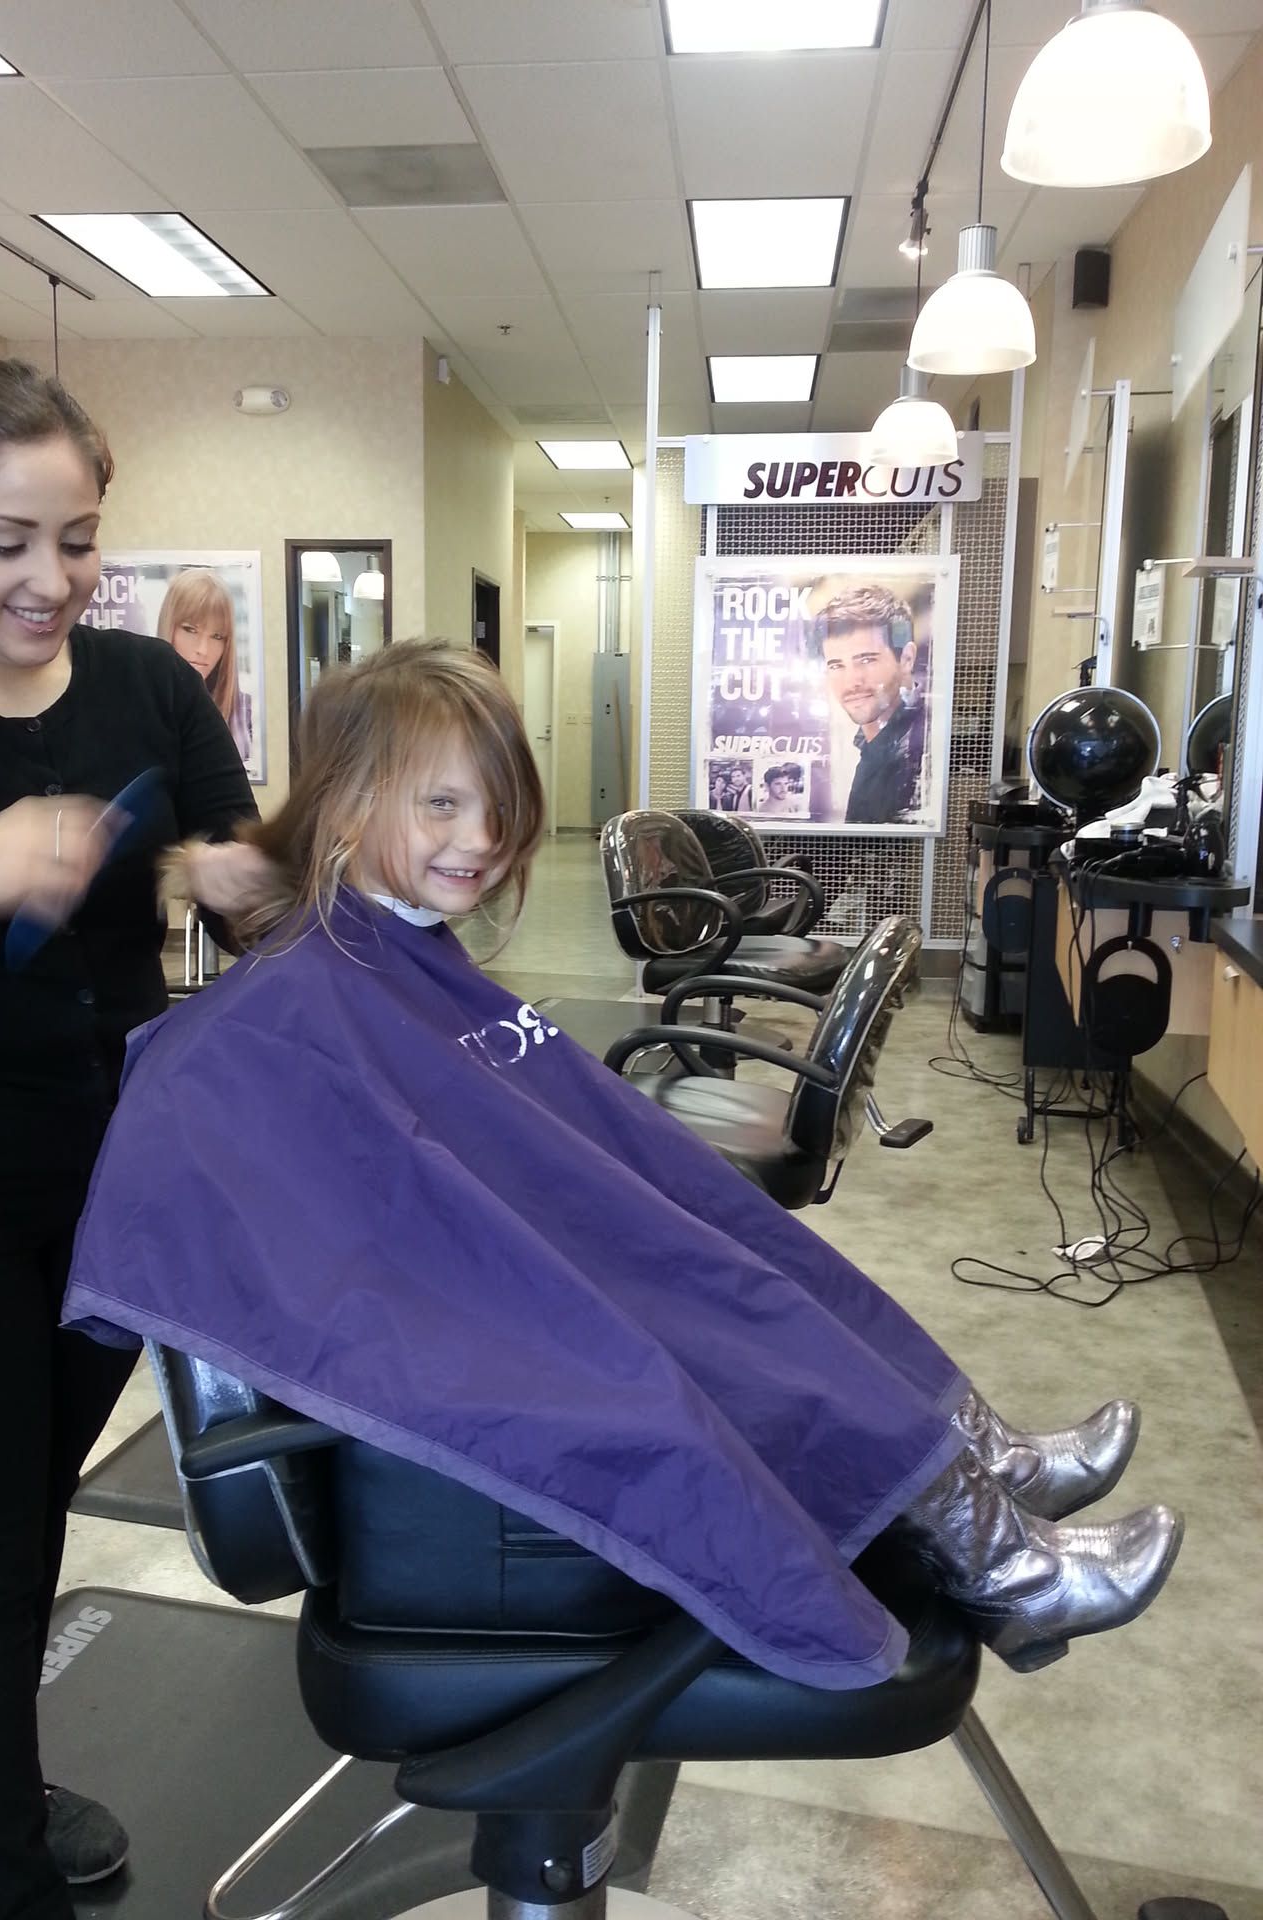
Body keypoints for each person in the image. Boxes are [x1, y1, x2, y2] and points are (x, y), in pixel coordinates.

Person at [63, 641, 1179, 1690]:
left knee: (755, 1257)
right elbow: (261, 1184)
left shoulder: (399, 951)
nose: (482, 837)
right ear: (348, 802)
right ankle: (1002, 1564)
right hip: (480, 1318)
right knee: (720, 1321)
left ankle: (984, 1470)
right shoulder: (279, 1012)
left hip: (537, 1255)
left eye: (498, 804)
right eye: (442, 804)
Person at [0, 356, 269, 1920]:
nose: (50, 578)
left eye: (75, 541)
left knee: (25, 1514)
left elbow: (238, 860)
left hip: (110, 1192)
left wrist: (252, 881)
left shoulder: (146, 686)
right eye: (4, 542)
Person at [813, 585, 927, 825]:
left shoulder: (917, 750)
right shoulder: (875, 743)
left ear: (906, 659)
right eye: (836, 665)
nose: (852, 681)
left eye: (866, 660)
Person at [158, 566, 253, 769]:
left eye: (217, 636)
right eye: (190, 630)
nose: (203, 650)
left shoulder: (245, 714)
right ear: (168, 625)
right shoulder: (141, 708)